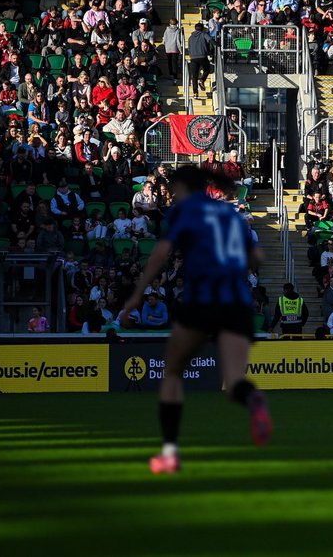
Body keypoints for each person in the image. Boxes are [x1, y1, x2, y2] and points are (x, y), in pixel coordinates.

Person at [121, 165, 270, 475]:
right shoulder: (230, 214)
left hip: (203, 298)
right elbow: (258, 259)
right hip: (239, 302)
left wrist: (137, 295)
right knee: (234, 383)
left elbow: (160, 254)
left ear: (181, 188)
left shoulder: (184, 211)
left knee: (172, 372)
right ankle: (253, 398)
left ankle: (170, 453)